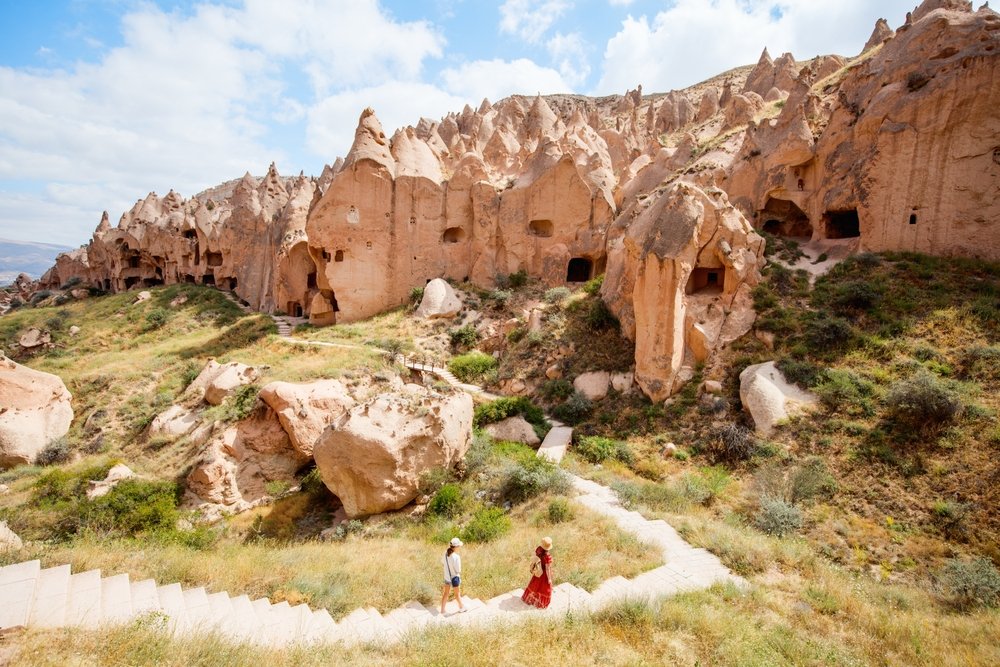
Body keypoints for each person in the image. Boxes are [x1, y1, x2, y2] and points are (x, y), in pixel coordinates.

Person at [522, 536, 553, 609]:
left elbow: (536, 558)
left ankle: (530, 599)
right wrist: (549, 579)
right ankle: (541, 603)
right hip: (544, 574)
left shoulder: (539, 549)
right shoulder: (547, 556)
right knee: (544, 589)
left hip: (538, 570)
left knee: (535, 585)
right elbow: (547, 568)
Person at [440, 537, 467, 615]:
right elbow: (458, 570)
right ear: (456, 547)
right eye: (459, 546)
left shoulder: (445, 553)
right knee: (457, 594)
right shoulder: (456, 557)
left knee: (446, 593)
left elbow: (442, 562)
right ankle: (461, 607)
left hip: (447, 577)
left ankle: (442, 610)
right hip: (454, 578)